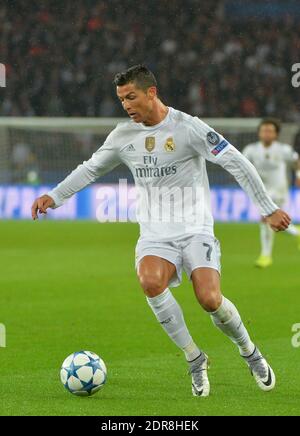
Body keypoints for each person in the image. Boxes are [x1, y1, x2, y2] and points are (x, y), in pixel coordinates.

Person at [32, 65, 291, 397]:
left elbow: (236, 161)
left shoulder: (188, 128)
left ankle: (249, 351)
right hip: (155, 233)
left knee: (210, 299)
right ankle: (195, 358)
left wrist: (267, 207)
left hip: (195, 227)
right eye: (121, 99)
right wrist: (54, 196)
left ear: (150, 93)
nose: (125, 105)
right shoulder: (123, 135)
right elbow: (91, 168)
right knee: (150, 282)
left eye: (131, 97)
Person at [243, 118, 300, 268]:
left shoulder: (283, 149)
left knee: (265, 217)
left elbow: (296, 160)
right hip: (261, 191)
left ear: (276, 134)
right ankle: (296, 232)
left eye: (270, 131)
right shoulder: (251, 150)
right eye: (264, 130)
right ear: (259, 133)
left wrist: (299, 175)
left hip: (279, 190)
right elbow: (242, 165)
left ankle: (265, 256)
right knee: (274, 221)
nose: (266, 133)